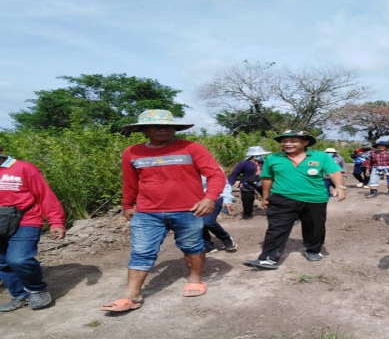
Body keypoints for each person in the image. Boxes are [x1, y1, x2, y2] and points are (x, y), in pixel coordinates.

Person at [101, 109, 226, 312]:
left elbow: (215, 175)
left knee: (191, 246)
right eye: (156, 126)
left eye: (168, 126)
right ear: (145, 130)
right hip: (147, 212)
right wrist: (127, 205)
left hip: (189, 210)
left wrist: (210, 197)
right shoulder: (132, 153)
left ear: (174, 128)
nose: (163, 129)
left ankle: (195, 279)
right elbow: (130, 183)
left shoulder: (191, 148)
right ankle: (132, 296)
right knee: (141, 251)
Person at [243, 130, 346, 270]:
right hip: (282, 198)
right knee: (276, 228)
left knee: (314, 226)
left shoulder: (321, 156)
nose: (287, 144)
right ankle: (268, 258)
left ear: (305, 142)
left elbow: (334, 172)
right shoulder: (273, 158)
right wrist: (265, 197)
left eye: (293, 141)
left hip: (314, 198)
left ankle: (313, 250)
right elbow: (267, 178)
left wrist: (340, 187)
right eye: (284, 141)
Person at [0, 147, 66, 312]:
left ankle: (37, 290)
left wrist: (56, 221)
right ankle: (19, 295)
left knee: (19, 259)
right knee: (2, 262)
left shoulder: (23, 168)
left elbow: (44, 195)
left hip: (26, 219)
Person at [228, 146, 271, 220]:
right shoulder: (244, 163)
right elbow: (234, 174)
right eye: (261, 155)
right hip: (246, 184)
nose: (263, 156)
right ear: (254, 156)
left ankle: (272, 213)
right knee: (247, 200)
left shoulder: (263, 163)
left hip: (261, 183)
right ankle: (247, 215)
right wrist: (229, 185)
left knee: (269, 198)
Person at [202, 175, 237, 253]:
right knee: (199, 223)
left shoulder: (211, 168)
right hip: (194, 200)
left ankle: (225, 238)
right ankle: (207, 245)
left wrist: (227, 199)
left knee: (207, 222)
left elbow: (224, 184)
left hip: (214, 198)